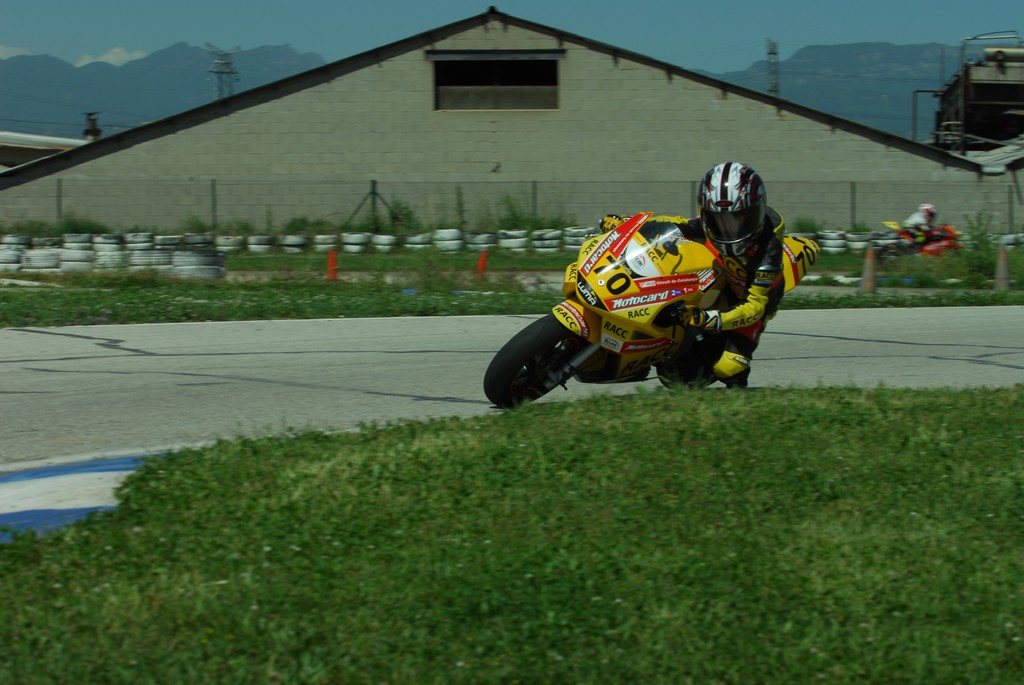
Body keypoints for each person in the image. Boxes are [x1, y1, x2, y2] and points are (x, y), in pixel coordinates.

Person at [598, 161, 785, 388]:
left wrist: (706, 319)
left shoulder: (768, 248)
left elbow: (754, 307)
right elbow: (675, 225)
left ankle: (738, 383)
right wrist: (627, 225)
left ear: (756, 212)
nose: (727, 228)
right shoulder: (709, 225)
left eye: (736, 219)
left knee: (729, 368)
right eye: (719, 219)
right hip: (723, 279)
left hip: (753, 299)